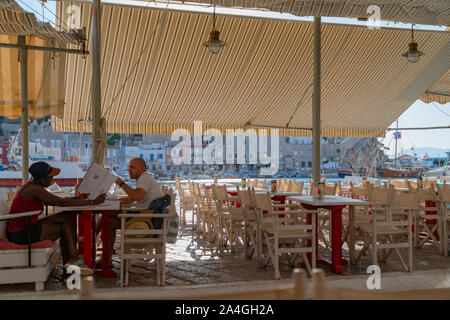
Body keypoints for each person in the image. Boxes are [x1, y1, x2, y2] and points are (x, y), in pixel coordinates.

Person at [7, 162, 106, 277]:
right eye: (51, 177)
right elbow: (61, 202)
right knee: (64, 226)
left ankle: (70, 265)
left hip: (27, 226)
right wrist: (92, 202)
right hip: (21, 233)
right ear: (43, 179)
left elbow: (59, 200)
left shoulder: (33, 185)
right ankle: (72, 261)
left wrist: (78, 199)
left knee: (66, 219)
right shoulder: (34, 189)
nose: (53, 180)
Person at [96, 158, 163, 264]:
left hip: (146, 222)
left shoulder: (144, 178)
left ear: (141, 169)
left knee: (108, 216)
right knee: (109, 218)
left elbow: (136, 196)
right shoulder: (143, 179)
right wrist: (115, 201)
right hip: (146, 218)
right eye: (129, 167)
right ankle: (105, 257)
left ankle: (92, 237)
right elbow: (131, 198)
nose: (129, 170)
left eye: (132, 167)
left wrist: (121, 183)